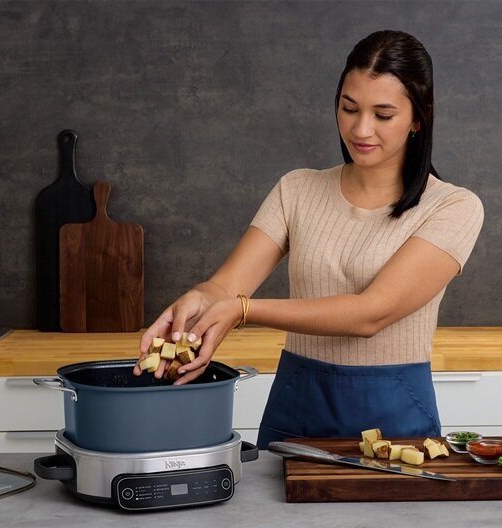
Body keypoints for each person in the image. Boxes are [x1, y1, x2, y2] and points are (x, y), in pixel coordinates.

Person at [134, 30, 484, 449]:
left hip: (395, 419)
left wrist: (243, 311)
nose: (361, 128)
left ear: (419, 118)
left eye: (383, 114)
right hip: (296, 408)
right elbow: (227, 286)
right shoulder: (297, 190)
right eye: (349, 108)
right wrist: (196, 301)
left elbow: (370, 314)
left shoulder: (452, 207)